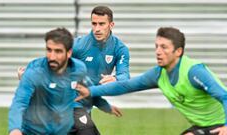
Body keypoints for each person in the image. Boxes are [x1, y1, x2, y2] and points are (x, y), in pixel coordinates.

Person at [75, 27, 227, 135]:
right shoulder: (158, 74)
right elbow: (126, 85)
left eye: (164, 47)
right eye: (156, 47)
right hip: (206, 126)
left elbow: (225, 96)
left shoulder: (194, 72)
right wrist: (91, 91)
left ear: (178, 51)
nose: (158, 52)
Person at [17, 6, 130, 135]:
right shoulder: (80, 45)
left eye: (101, 24)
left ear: (111, 25)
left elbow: (125, 75)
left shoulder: (120, 49)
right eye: (94, 24)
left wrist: (116, 78)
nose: (97, 28)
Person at [9, 27, 88, 135]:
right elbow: (19, 102)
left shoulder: (79, 68)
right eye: (49, 50)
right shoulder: (34, 70)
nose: (52, 56)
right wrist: (15, 129)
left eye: (58, 51)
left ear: (69, 53)